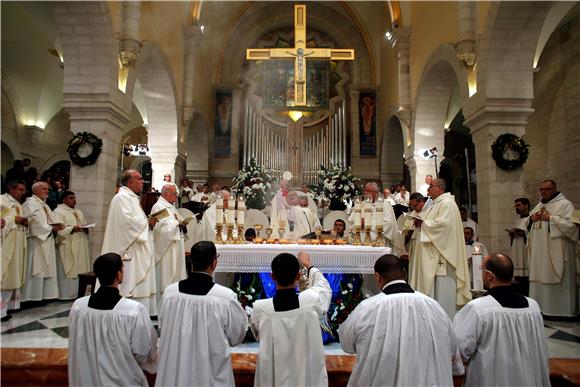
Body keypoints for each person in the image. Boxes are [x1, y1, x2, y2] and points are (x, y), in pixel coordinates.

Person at [339, 254, 464, 386]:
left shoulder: (367, 309)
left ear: (377, 277)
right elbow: (454, 358)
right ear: (404, 273)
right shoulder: (435, 307)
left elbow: (346, 343)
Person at [155, 241, 247, 387]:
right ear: (214, 263)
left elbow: (162, 327)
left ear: (191, 261)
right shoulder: (224, 297)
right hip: (208, 374)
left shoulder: (170, 293)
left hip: (175, 373)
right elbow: (237, 336)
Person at [453, 253, 550, 386]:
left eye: (482, 269)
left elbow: (460, 349)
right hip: (528, 379)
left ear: (489, 276)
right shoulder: (533, 307)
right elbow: (540, 348)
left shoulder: (478, 308)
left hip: (492, 379)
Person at [68, 253, 158, 387]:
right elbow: (144, 350)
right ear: (118, 275)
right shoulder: (133, 310)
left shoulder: (78, 307)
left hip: (87, 380)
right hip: (123, 380)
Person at [250, 252, 332, 387]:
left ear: (272, 276)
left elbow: (257, 333)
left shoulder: (261, 309)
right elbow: (323, 286)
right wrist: (308, 264)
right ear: (298, 276)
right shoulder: (311, 301)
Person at [412, 178, 471, 318]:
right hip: (433, 256)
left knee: (442, 297)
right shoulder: (436, 204)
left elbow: (444, 226)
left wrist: (424, 223)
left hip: (441, 259)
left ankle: (444, 323)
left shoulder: (447, 204)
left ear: (440, 188)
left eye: (431, 186)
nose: (428, 190)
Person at [101, 170, 158, 315]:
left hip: (137, 245)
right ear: (130, 182)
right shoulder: (121, 198)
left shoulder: (131, 197)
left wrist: (146, 222)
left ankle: (141, 311)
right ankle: (128, 311)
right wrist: (147, 223)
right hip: (129, 248)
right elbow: (128, 223)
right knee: (130, 279)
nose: (142, 181)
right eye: (139, 179)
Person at [528, 179, 578, 317]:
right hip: (539, 254)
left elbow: (572, 227)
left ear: (555, 189)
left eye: (547, 189)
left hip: (557, 252)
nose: (544, 192)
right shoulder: (539, 205)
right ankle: (540, 308)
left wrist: (551, 219)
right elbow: (527, 221)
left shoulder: (565, 204)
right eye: (542, 189)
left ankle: (561, 311)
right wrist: (532, 219)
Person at [21, 182, 63, 302]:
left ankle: (44, 296)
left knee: (47, 267)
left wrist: (57, 224)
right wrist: (50, 228)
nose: (47, 191)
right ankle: (30, 297)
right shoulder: (30, 204)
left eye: (48, 189)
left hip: (46, 239)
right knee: (35, 268)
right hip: (36, 241)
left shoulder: (44, 205)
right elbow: (34, 223)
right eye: (44, 189)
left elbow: (50, 219)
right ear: (35, 191)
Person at [348, 182, 405, 257]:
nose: (366, 193)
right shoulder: (361, 204)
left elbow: (388, 224)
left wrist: (368, 224)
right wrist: (358, 223)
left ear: (376, 192)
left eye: (369, 191)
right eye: (365, 190)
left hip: (378, 242)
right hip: (360, 242)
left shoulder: (385, 205)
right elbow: (351, 221)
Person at [151, 184, 187, 301]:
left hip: (176, 245)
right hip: (166, 248)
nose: (176, 196)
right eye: (174, 194)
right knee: (166, 275)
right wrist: (177, 224)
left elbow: (177, 220)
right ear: (166, 194)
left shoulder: (172, 207)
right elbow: (159, 228)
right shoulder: (158, 206)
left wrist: (183, 223)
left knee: (176, 273)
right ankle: (162, 304)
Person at [53, 191, 91, 300]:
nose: (74, 200)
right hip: (68, 244)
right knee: (69, 268)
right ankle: (66, 295)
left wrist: (85, 228)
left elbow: (83, 224)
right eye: (71, 198)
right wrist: (72, 228)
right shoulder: (58, 211)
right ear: (64, 200)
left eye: (74, 197)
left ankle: (79, 293)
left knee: (80, 268)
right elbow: (59, 230)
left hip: (80, 242)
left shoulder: (79, 212)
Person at [1, 180, 28, 320]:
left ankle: (6, 309)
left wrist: (24, 221)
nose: (23, 193)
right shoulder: (1, 200)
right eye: (20, 189)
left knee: (11, 276)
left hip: (16, 243)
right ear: (11, 189)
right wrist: (14, 219)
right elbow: (3, 221)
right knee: (3, 276)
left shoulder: (18, 204)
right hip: (5, 244)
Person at [508, 197, 531, 277]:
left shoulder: (531, 219)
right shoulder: (517, 220)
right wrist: (511, 233)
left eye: (519, 205)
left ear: (526, 205)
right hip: (516, 248)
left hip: (525, 248)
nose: (516, 207)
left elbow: (532, 233)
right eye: (515, 206)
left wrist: (522, 233)